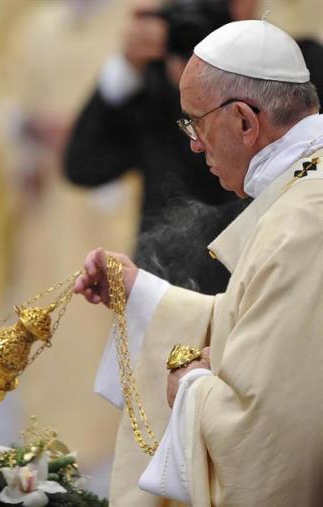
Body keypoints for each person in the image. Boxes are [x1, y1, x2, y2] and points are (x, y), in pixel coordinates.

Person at [74, 19, 323, 506]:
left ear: (246, 122)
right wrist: (143, 291)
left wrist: (189, 385)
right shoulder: (303, 188)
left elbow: (276, 438)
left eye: (195, 121)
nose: (193, 142)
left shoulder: (304, 221)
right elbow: (259, 328)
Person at [64, 0, 323, 294]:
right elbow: (83, 165)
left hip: (260, 274)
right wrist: (126, 70)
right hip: (166, 275)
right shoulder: (156, 76)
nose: (196, 145)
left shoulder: (301, 69)